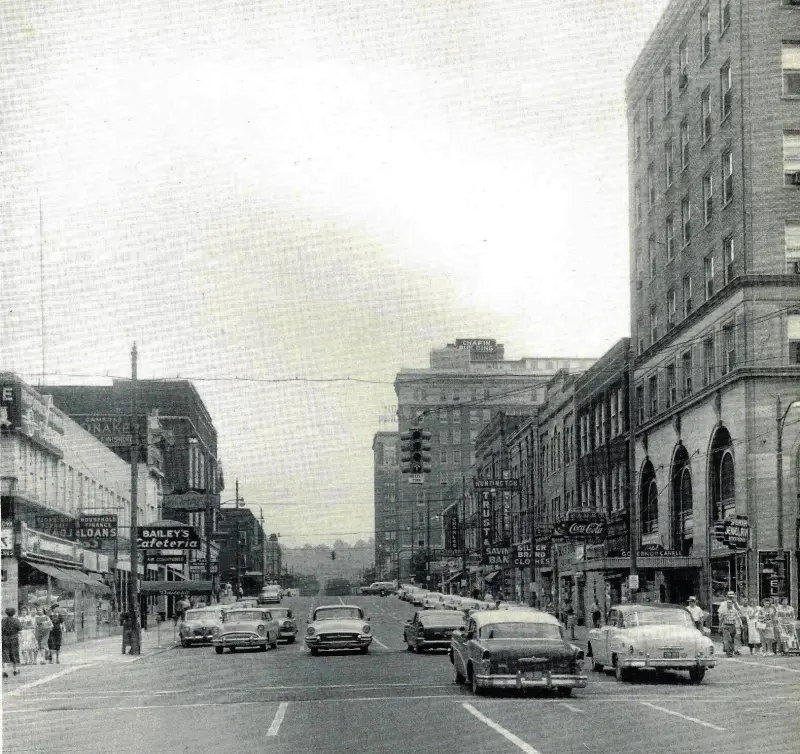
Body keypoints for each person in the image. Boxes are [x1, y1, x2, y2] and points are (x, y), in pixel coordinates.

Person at [717, 593, 742, 657]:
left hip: (733, 625)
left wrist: (735, 603)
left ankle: (731, 650)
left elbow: (739, 613)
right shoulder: (723, 605)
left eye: (732, 596)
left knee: (732, 639)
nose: (731, 598)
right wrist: (720, 626)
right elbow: (720, 616)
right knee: (728, 639)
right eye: (730, 596)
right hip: (725, 624)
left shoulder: (735, 604)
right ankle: (728, 652)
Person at [2, 607, 22, 677]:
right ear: (14, 613)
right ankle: (15, 670)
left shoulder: (3, 620)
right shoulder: (16, 620)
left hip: (4, 639)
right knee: (14, 654)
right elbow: (20, 629)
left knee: (5, 654)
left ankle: (5, 670)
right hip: (14, 638)